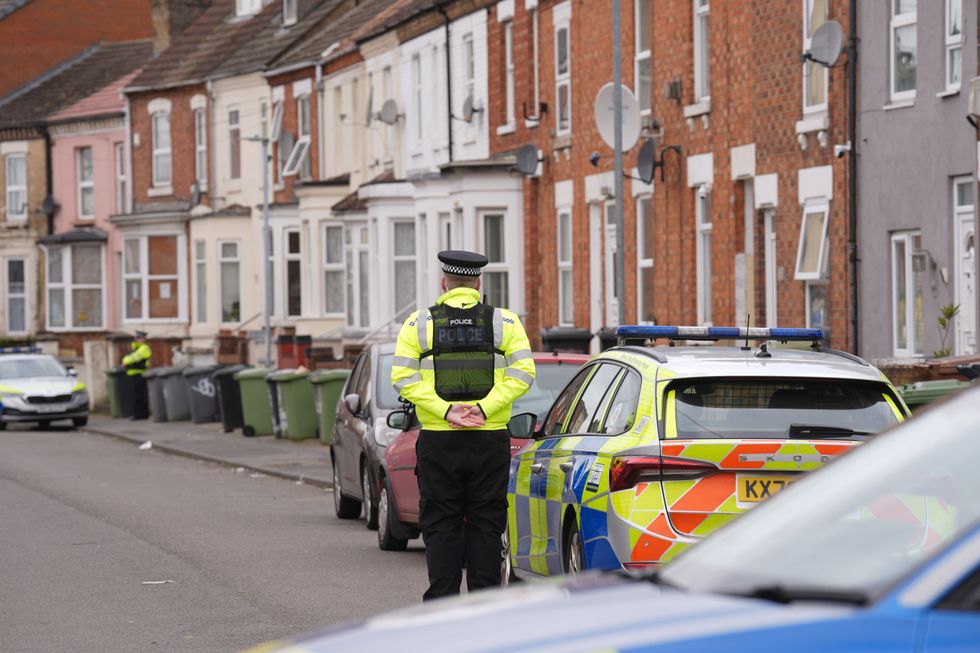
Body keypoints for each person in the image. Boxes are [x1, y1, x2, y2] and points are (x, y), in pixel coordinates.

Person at [392, 250, 536, 601]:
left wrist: (446, 412)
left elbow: (403, 378)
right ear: (478, 283)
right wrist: (484, 409)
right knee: (486, 524)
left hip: (440, 442)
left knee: (441, 523)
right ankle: (485, 609)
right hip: (489, 441)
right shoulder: (506, 323)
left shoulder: (418, 324)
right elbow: (523, 374)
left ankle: (442, 608)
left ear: (444, 283)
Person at [122, 330, 151, 420]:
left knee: (140, 395)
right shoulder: (136, 348)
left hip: (140, 373)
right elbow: (129, 357)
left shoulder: (144, 348)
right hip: (133, 373)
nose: (137, 339)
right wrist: (126, 359)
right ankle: (139, 414)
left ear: (143, 339)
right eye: (136, 338)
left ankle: (140, 414)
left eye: (139, 338)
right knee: (136, 395)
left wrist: (126, 360)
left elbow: (133, 358)